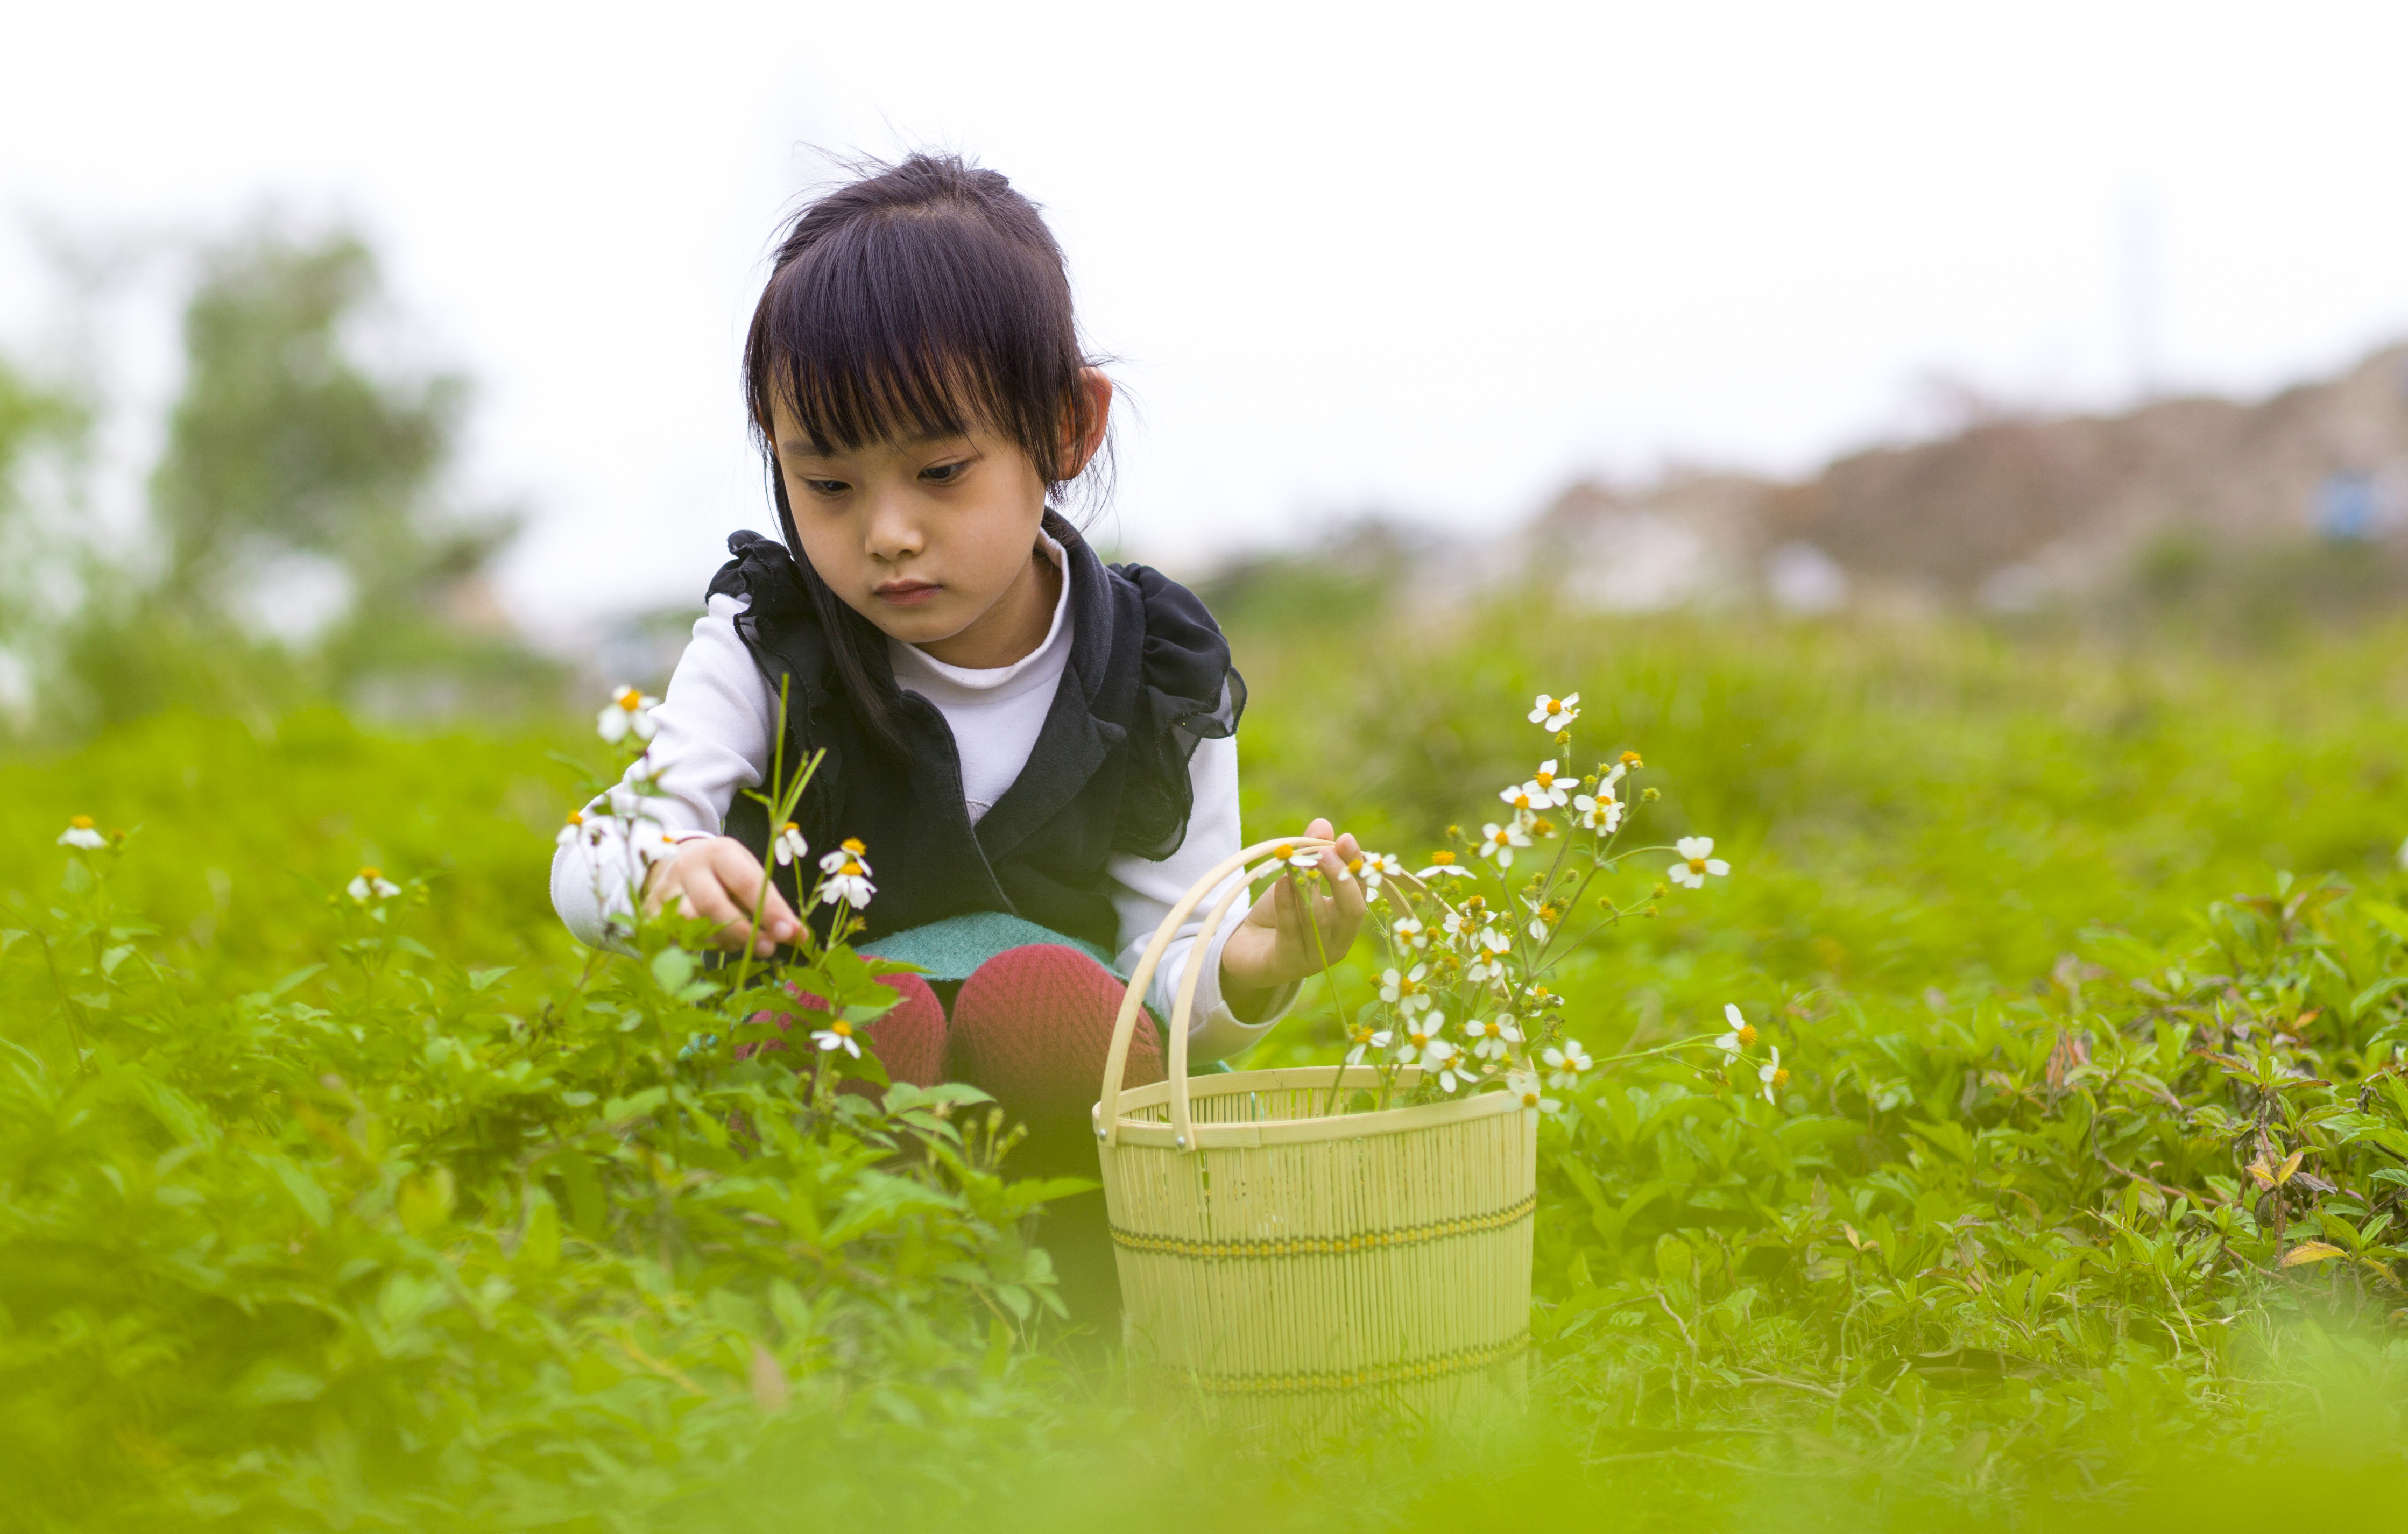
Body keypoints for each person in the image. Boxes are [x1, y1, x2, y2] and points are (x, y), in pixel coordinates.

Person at [550, 153, 1365, 1312]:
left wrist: (1251, 961)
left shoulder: (1152, 667)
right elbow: (591, 852)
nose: (886, 534)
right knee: (861, 1021)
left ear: (1067, 427)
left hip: (1068, 1134)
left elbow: (1163, 965)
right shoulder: (769, 638)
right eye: (825, 482)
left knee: (1038, 993)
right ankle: (846, 1351)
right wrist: (665, 865)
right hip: (826, 1153)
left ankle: (1103, 1341)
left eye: (940, 472)